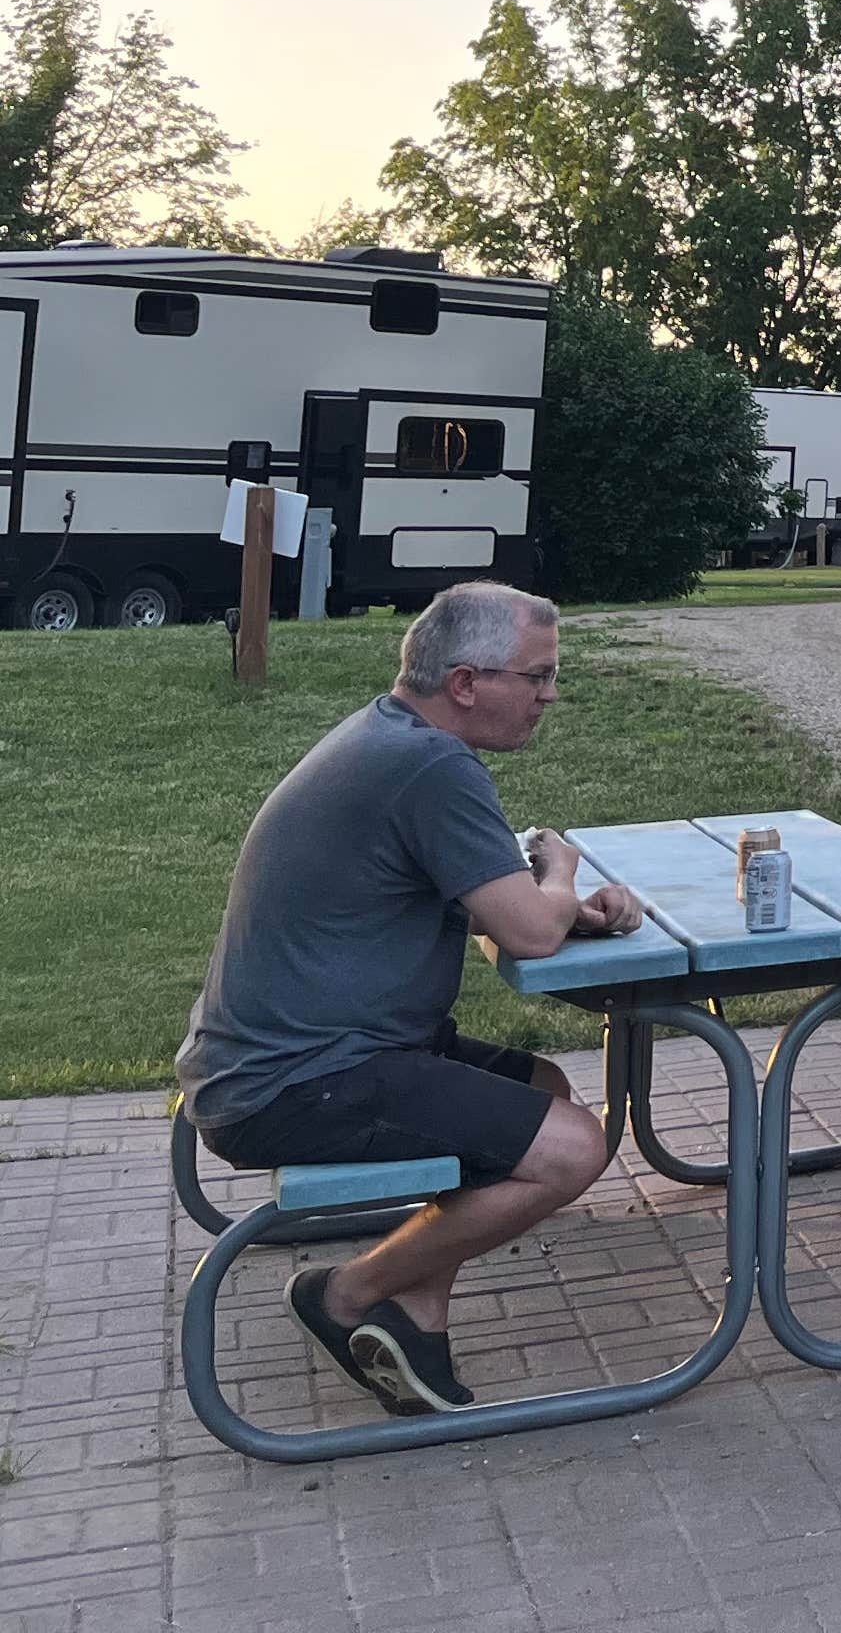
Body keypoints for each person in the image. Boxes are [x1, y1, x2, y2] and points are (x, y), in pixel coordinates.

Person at [175, 579, 649, 1416]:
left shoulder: (392, 736)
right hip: (294, 1081)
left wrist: (563, 906)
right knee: (573, 1147)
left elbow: (495, 907)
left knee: (542, 1091)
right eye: (536, 676)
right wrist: (564, 874)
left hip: (299, 1056)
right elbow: (528, 935)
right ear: (465, 683)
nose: (549, 695)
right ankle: (346, 1294)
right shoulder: (433, 766)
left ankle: (417, 1316)